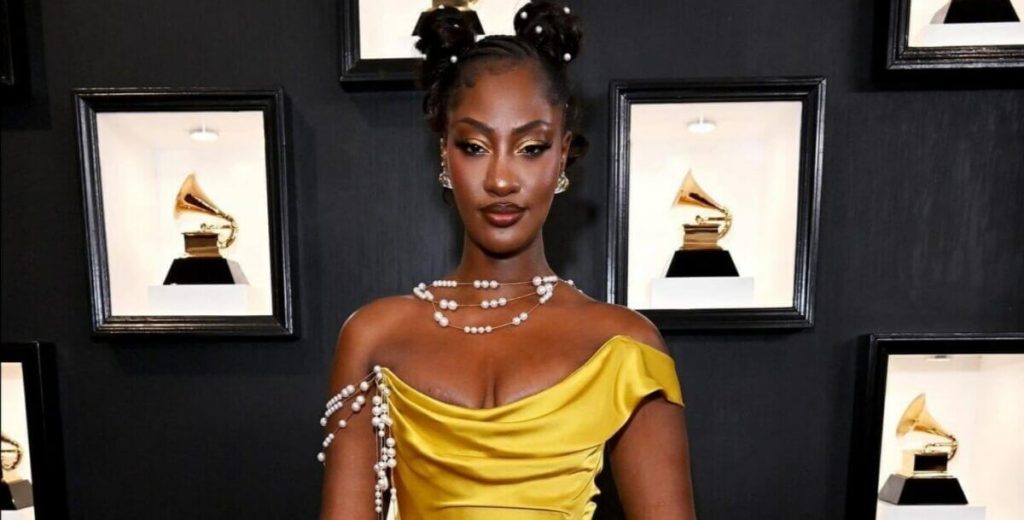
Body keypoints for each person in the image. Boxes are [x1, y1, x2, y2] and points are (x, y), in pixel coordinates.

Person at [319, 2, 695, 518]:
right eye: (475, 146)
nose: (500, 179)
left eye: (531, 147)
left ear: (562, 155)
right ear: (444, 153)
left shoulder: (625, 347)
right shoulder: (374, 337)